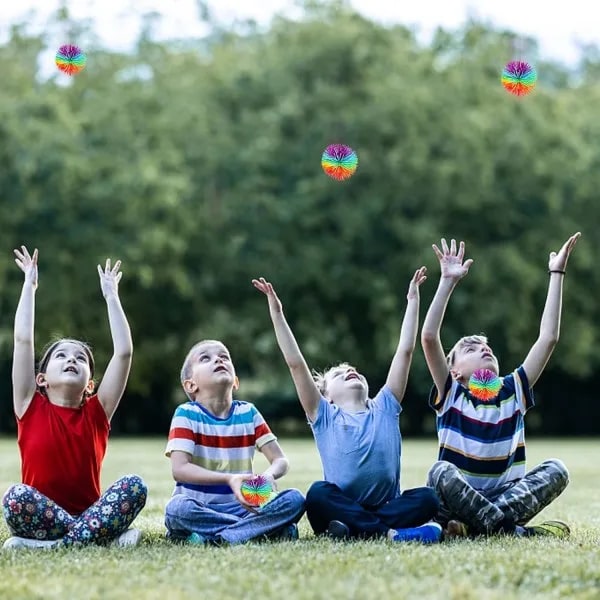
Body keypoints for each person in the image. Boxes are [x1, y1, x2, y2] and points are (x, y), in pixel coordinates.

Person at [253, 269, 442, 544]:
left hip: (386, 507)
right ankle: (388, 534)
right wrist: (278, 314)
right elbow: (295, 364)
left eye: (354, 371)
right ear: (327, 395)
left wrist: (413, 301)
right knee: (317, 494)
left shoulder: (385, 406)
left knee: (428, 498)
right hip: (336, 505)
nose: (351, 371)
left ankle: (355, 530)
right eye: (340, 374)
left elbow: (405, 351)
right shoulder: (323, 414)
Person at [421, 234, 580, 538]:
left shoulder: (513, 389)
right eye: (470, 348)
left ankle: (477, 527)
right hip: (455, 502)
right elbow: (429, 338)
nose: (483, 348)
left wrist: (556, 274)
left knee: (557, 469)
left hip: (505, 499)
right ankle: (510, 530)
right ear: (454, 372)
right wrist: (447, 282)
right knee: (439, 472)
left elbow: (548, 338)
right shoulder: (452, 394)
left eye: (486, 346)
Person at [3, 246, 147, 550]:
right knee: (15, 498)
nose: (72, 360)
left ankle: (55, 545)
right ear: (41, 379)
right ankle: (101, 540)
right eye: (62, 356)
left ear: (90, 385)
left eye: (81, 358)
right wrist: (29, 287)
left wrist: (112, 298)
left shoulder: (98, 412)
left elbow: (124, 353)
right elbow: (23, 339)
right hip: (40, 516)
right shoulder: (28, 404)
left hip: (91, 514)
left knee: (135, 486)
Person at [164, 339, 305, 545]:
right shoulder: (186, 413)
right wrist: (230, 479)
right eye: (206, 358)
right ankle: (259, 530)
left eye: (224, 357)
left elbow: (280, 460)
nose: (218, 360)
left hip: (245, 504)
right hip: (199, 506)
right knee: (177, 509)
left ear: (236, 381)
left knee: (295, 499)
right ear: (191, 384)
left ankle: (218, 536)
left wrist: (268, 476)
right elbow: (180, 469)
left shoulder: (248, 412)